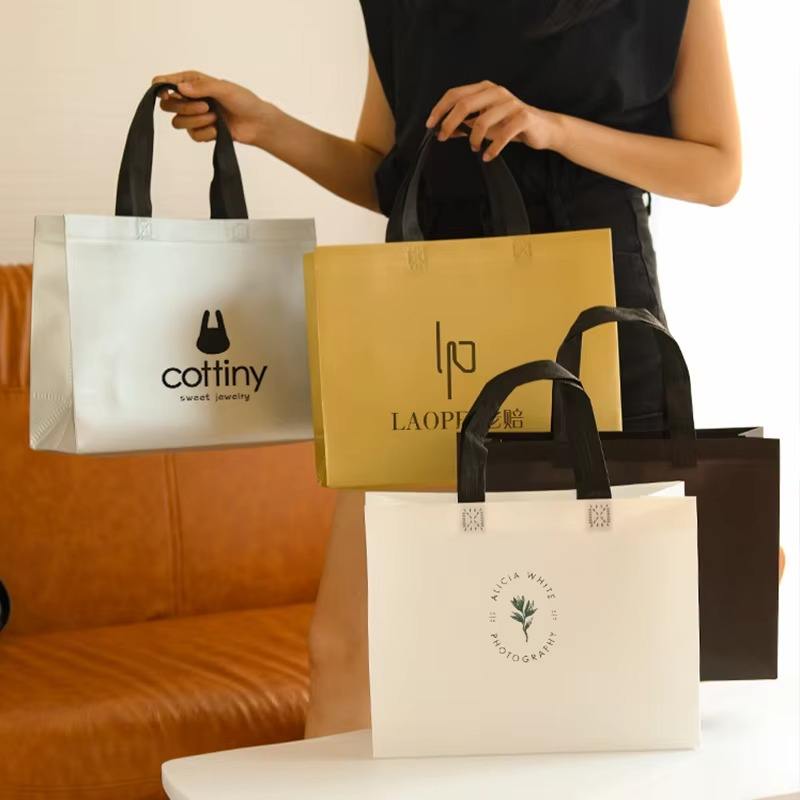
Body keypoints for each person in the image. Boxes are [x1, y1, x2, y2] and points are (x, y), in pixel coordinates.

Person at [154, 0, 743, 737]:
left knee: (599, 650)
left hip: (592, 334)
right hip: (433, 331)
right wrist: (266, 125)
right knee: (350, 647)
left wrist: (551, 129)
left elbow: (717, 168)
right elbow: (385, 173)